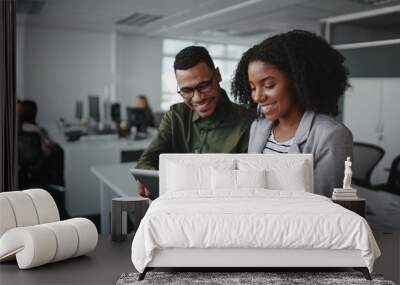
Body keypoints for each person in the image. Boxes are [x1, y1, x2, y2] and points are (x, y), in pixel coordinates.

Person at [231, 30, 353, 197]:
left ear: (297, 81)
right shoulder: (258, 127)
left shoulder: (331, 135)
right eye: (252, 87)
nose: (258, 96)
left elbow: (325, 205)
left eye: (268, 85)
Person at [136, 46, 254, 199]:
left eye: (204, 85)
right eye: (187, 90)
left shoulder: (248, 122)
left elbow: (247, 185)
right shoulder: (175, 116)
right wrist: (147, 175)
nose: (198, 98)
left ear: (217, 75)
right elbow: (146, 161)